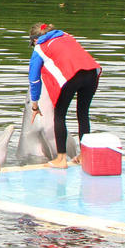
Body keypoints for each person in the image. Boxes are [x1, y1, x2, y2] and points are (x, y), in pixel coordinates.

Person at [28, 23, 101, 168]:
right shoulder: (66, 36)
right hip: (92, 72)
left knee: (59, 115)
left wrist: (34, 103)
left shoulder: (39, 48)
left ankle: (61, 159)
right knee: (83, 114)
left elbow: (34, 79)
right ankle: (84, 156)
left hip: (71, 76)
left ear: (35, 40)